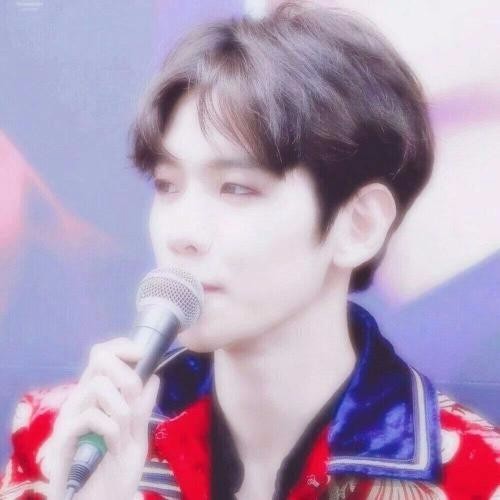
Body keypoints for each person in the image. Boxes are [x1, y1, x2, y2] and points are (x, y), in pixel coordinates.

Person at [1, 3, 499, 499]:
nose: (182, 233)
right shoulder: (61, 440)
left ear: (359, 224)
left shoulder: (472, 474)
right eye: (167, 185)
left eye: (236, 188)